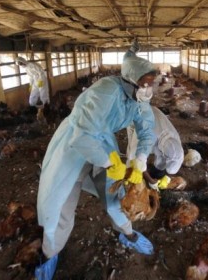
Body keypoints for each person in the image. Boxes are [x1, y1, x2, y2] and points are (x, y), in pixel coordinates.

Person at [35, 40, 157, 280]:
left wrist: (141, 157)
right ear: (130, 80)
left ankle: (127, 233)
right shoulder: (106, 91)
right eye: (144, 84)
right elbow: (83, 135)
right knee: (59, 199)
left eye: (151, 84)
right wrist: (111, 163)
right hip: (73, 144)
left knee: (116, 193)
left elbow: (146, 127)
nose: (148, 89)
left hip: (102, 143)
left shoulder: (138, 98)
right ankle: (50, 252)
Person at [126, 105, 184, 190]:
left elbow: (176, 159)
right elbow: (138, 158)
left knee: (162, 160)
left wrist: (167, 177)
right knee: (133, 157)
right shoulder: (145, 137)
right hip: (139, 114)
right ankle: (130, 173)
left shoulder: (175, 142)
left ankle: (156, 171)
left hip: (157, 118)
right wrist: (151, 181)